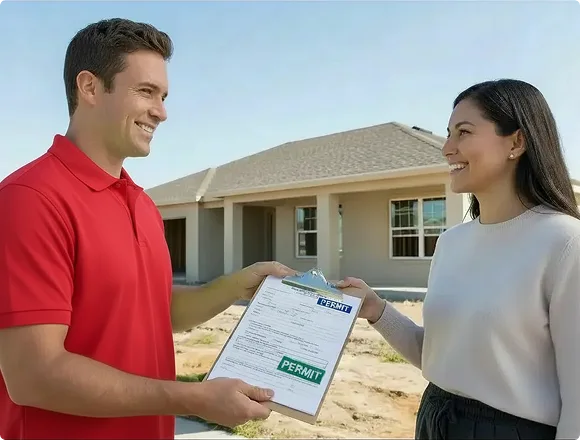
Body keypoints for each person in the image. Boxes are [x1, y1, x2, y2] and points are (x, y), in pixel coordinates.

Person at [0, 18, 297, 440]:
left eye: (163, 95)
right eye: (146, 92)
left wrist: (236, 286)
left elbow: (156, 312)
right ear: (89, 87)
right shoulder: (30, 199)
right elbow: (34, 374)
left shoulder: (140, 203)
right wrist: (190, 398)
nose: (161, 111)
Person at [337, 79, 580, 440]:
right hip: (434, 421)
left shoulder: (564, 242)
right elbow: (436, 355)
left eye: (463, 132)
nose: (447, 148)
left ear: (517, 142)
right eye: (448, 134)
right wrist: (375, 308)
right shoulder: (451, 242)